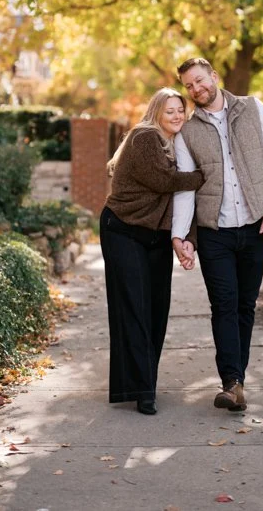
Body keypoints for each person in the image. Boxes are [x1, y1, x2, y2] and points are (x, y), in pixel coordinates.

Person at [171, 58, 263, 412]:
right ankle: (231, 383)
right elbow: (186, 189)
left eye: (200, 81)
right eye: (189, 86)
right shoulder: (187, 132)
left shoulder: (253, 108)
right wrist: (180, 236)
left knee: (244, 306)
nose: (196, 89)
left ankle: (238, 379)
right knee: (223, 304)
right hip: (214, 233)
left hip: (255, 226)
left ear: (214, 77)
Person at [100, 87, 203, 415]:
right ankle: (142, 390)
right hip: (123, 230)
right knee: (134, 307)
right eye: (170, 110)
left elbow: (184, 199)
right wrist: (206, 175)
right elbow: (165, 181)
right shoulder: (144, 137)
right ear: (156, 112)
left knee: (156, 310)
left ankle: (142, 382)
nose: (177, 116)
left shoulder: (176, 145)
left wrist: (189, 239)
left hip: (154, 237)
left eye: (180, 110)